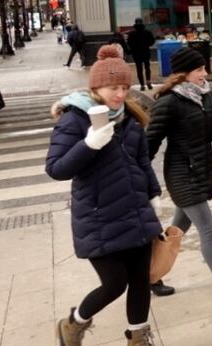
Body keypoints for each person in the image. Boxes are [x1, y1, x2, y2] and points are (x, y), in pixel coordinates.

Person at [47, 45, 162, 346]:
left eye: (125, 87)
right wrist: (90, 144)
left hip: (136, 212)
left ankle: (138, 338)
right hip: (99, 218)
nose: (120, 94)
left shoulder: (130, 118)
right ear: (96, 86)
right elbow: (56, 168)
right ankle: (73, 324)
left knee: (140, 281)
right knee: (114, 284)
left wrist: (154, 194)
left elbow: (141, 161)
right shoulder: (74, 120)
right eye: (113, 87)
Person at [146, 46, 212, 309]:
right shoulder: (169, 102)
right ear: (183, 74)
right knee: (207, 228)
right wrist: (142, 183)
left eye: (204, 68)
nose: (204, 73)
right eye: (199, 69)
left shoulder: (206, 96)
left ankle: (150, 275)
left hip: (201, 172)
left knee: (176, 231)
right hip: (181, 175)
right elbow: (148, 146)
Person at [127, 19, 156, 91]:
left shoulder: (131, 33)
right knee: (147, 67)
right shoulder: (147, 32)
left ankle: (142, 85)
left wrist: (133, 48)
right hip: (145, 51)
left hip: (136, 53)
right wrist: (147, 45)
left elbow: (129, 43)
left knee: (139, 69)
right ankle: (148, 81)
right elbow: (152, 41)